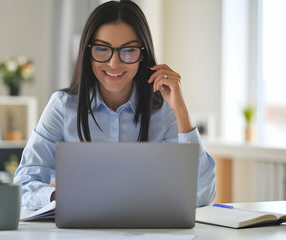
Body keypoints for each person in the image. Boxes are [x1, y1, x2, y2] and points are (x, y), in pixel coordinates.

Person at [14, 0, 216, 210]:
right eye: (102, 49)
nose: (114, 63)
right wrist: (62, 196)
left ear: (143, 54)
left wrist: (181, 110)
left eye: (128, 50)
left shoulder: (163, 109)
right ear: (87, 53)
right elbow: (24, 184)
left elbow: (202, 194)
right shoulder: (62, 107)